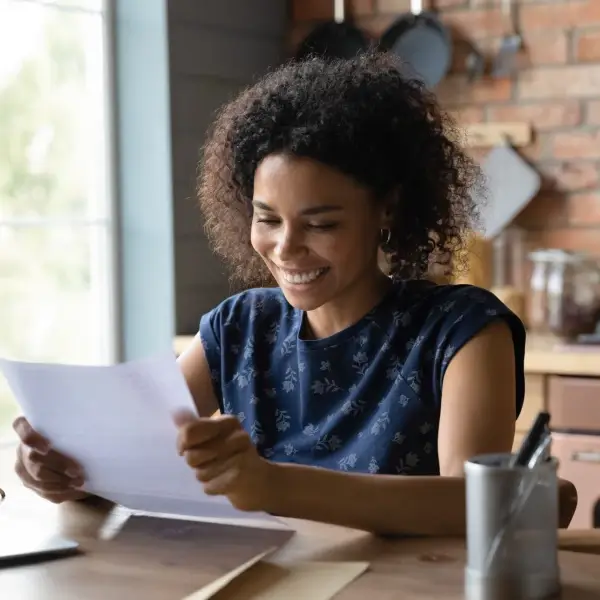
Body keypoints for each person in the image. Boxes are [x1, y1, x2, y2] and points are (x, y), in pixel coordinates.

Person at [12, 52, 525, 537]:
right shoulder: (239, 327)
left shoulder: (462, 331)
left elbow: (474, 504)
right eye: (267, 219)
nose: (286, 248)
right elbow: (127, 460)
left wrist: (274, 485)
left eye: (321, 223)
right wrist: (66, 473)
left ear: (387, 210)